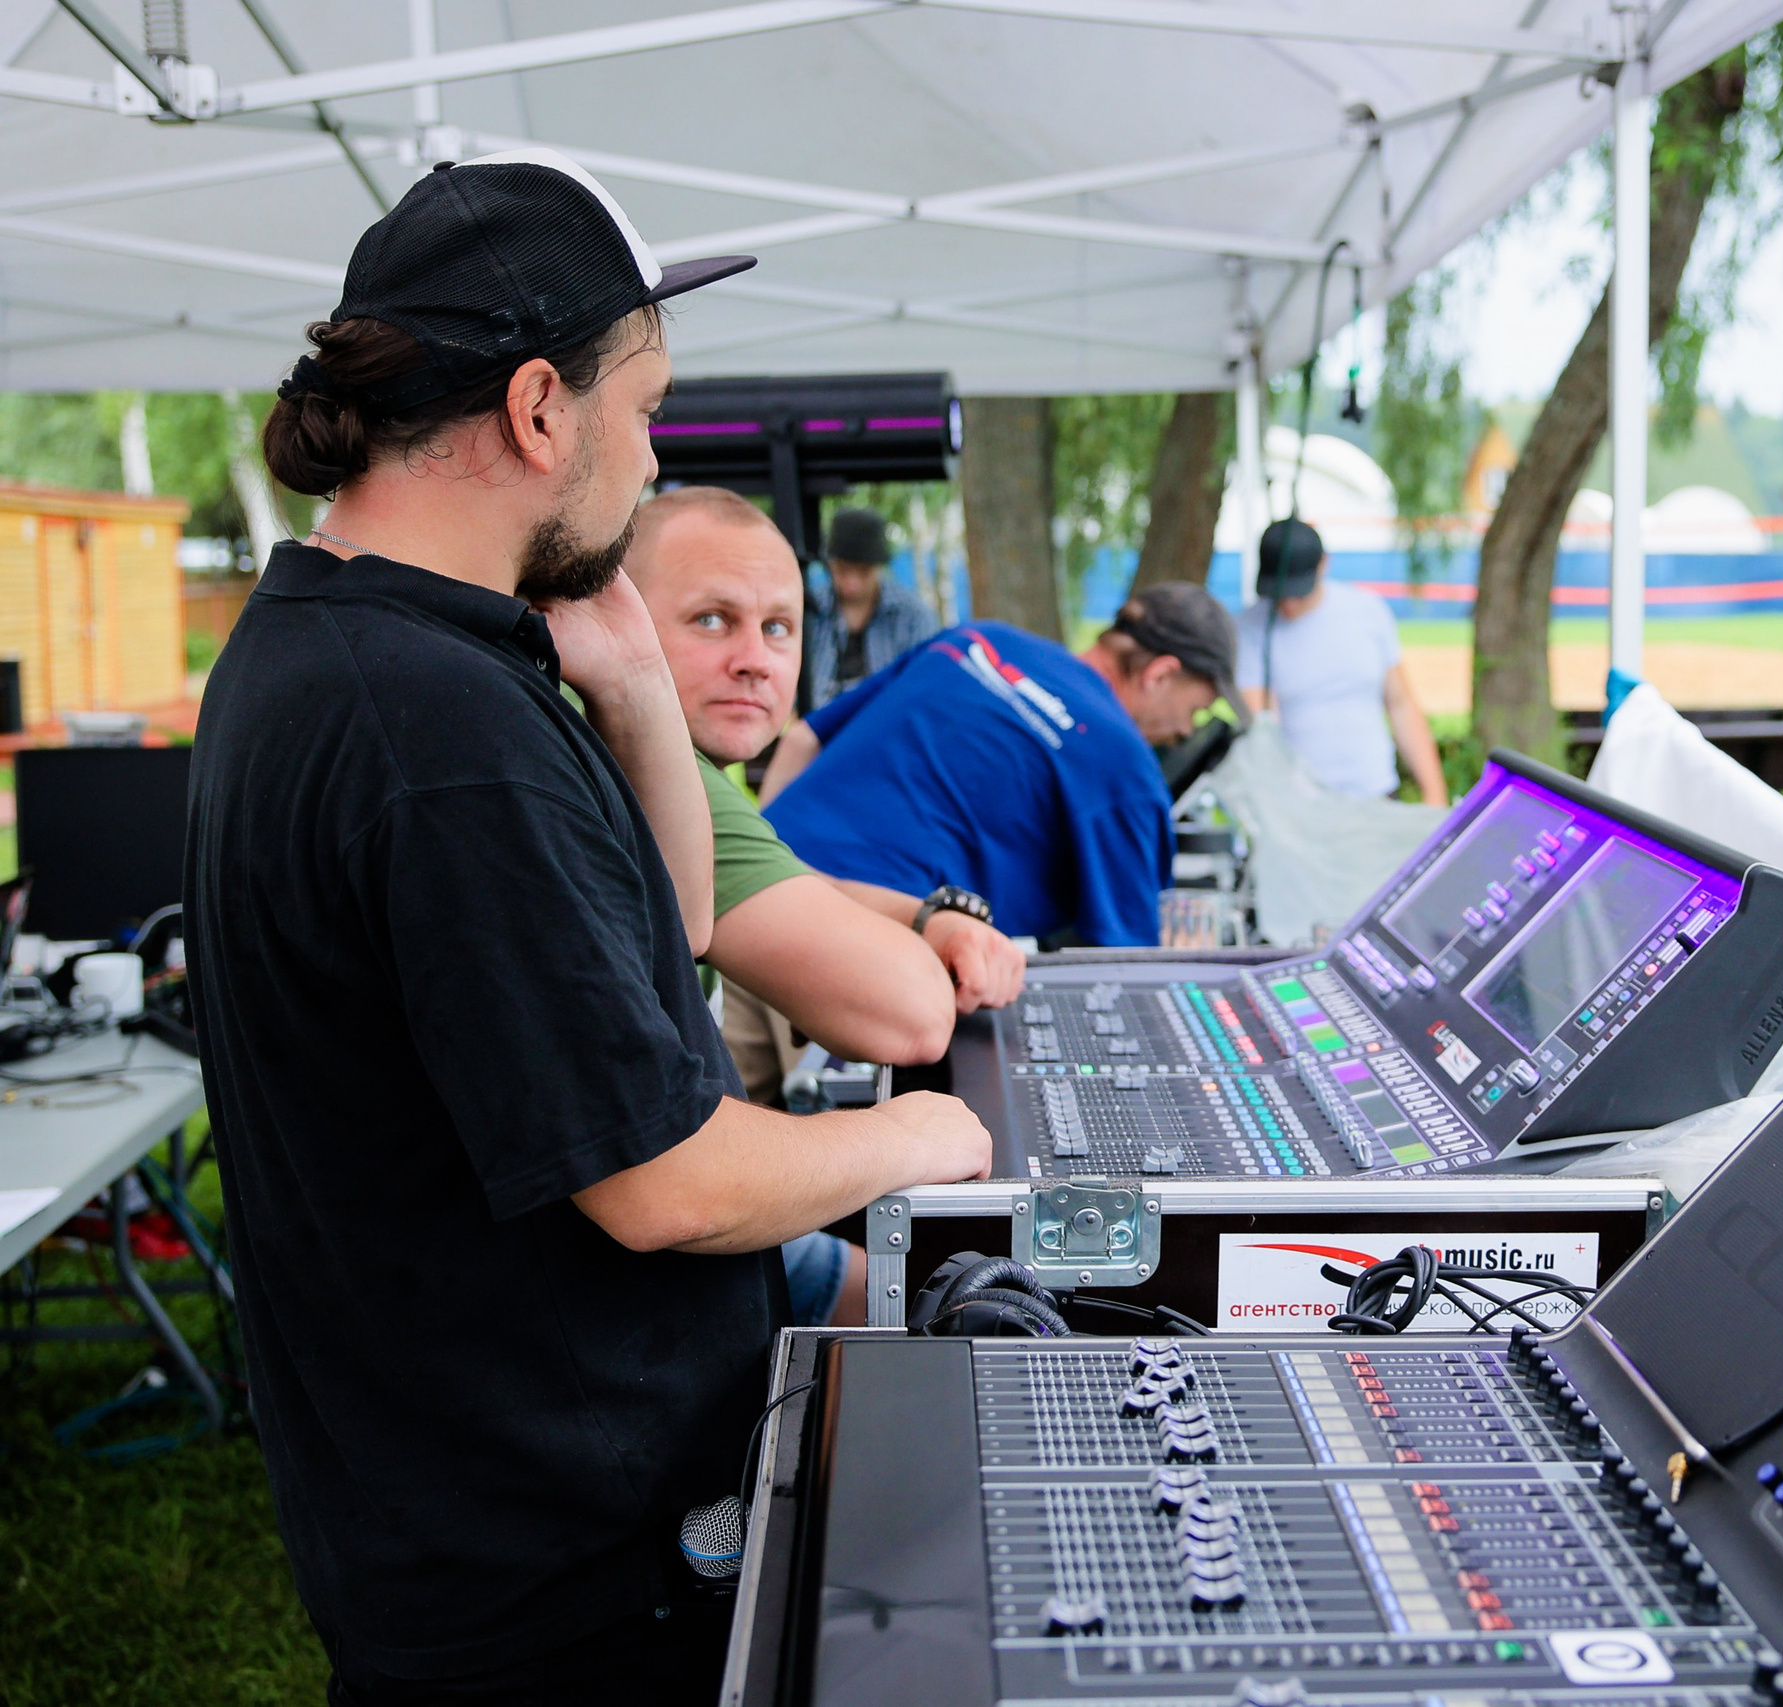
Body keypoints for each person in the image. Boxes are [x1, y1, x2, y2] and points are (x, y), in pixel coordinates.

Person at [184, 150, 989, 1707]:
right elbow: (663, 1178)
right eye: (643, 409)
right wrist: (925, 1143)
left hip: (459, 1507)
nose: (649, 452)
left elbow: (663, 935)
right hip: (554, 1575)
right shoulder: (434, 728)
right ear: (540, 408)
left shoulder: (360, 644)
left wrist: (629, 690)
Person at [620, 486, 1025, 1331]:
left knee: (909, 1297)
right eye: (710, 620)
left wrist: (930, 915)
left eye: (777, 627)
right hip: (636, 1279)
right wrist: (906, 1133)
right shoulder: (653, 766)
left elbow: (782, 883)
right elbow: (906, 1016)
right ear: (617, 619)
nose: (754, 659)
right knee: (958, 1316)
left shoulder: (678, 762)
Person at [759, 585, 1239, 948]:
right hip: (862, 944)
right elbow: (1127, 964)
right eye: (1194, 712)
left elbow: (804, 737)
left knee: (717, 1082)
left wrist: (762, 862)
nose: (1183, 733)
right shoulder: (1128, 771)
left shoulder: (979, 636)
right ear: (1161, 675)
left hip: (756, 895)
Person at [1236, 517, 1449, 805]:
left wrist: (1435, 794)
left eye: (1298, 592)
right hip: (1304, 804)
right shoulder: (1251, 628)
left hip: (1377, 794)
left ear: (1323, 564)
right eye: (1279, 593)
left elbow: (1401, 704)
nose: (1288, 603)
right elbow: (1262, 726)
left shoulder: (1368, 611)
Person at [805, 506, 936, 697]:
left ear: (879, 567)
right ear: (829, 564)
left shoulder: (912, 616)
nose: (852, 583)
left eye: (863, 572)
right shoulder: (809, 609)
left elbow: (924, 685)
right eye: (842, 570)